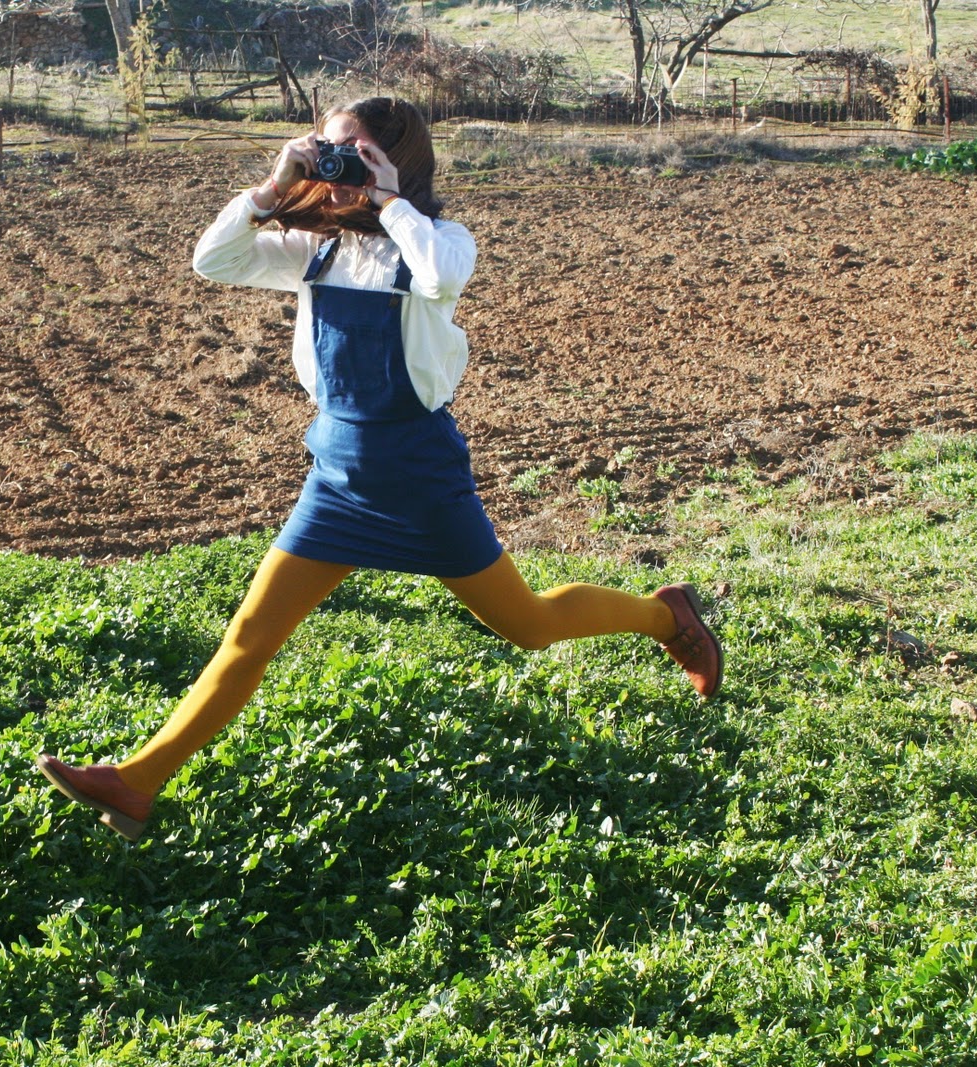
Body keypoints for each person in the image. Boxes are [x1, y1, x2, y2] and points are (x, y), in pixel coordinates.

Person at [36, 97, 721, 842]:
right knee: (249, 635)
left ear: (397, 163)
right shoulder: (313, 249)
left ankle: (666, 616)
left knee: (530, 624)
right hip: (336, 480)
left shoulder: (439, 240)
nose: (336, 174)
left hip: (420, 479)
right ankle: (136, 781)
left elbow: (436, 279)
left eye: (353, 157)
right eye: (327, 154)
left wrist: (388, 197)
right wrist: (273, 189)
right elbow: (214, 260)